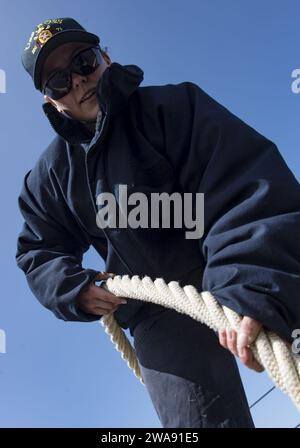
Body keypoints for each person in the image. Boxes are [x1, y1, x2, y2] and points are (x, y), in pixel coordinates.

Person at [16, 17, 300, 428]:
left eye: (84, 61)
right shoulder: (51, 176)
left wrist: (254, 285)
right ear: (50, 102)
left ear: (106, 58)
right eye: (58, 81)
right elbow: (37, 250)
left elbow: (244, 183)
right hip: (155, 310)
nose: (77, 81)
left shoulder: (175, 107)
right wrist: (73, 287)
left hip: (240, 264)